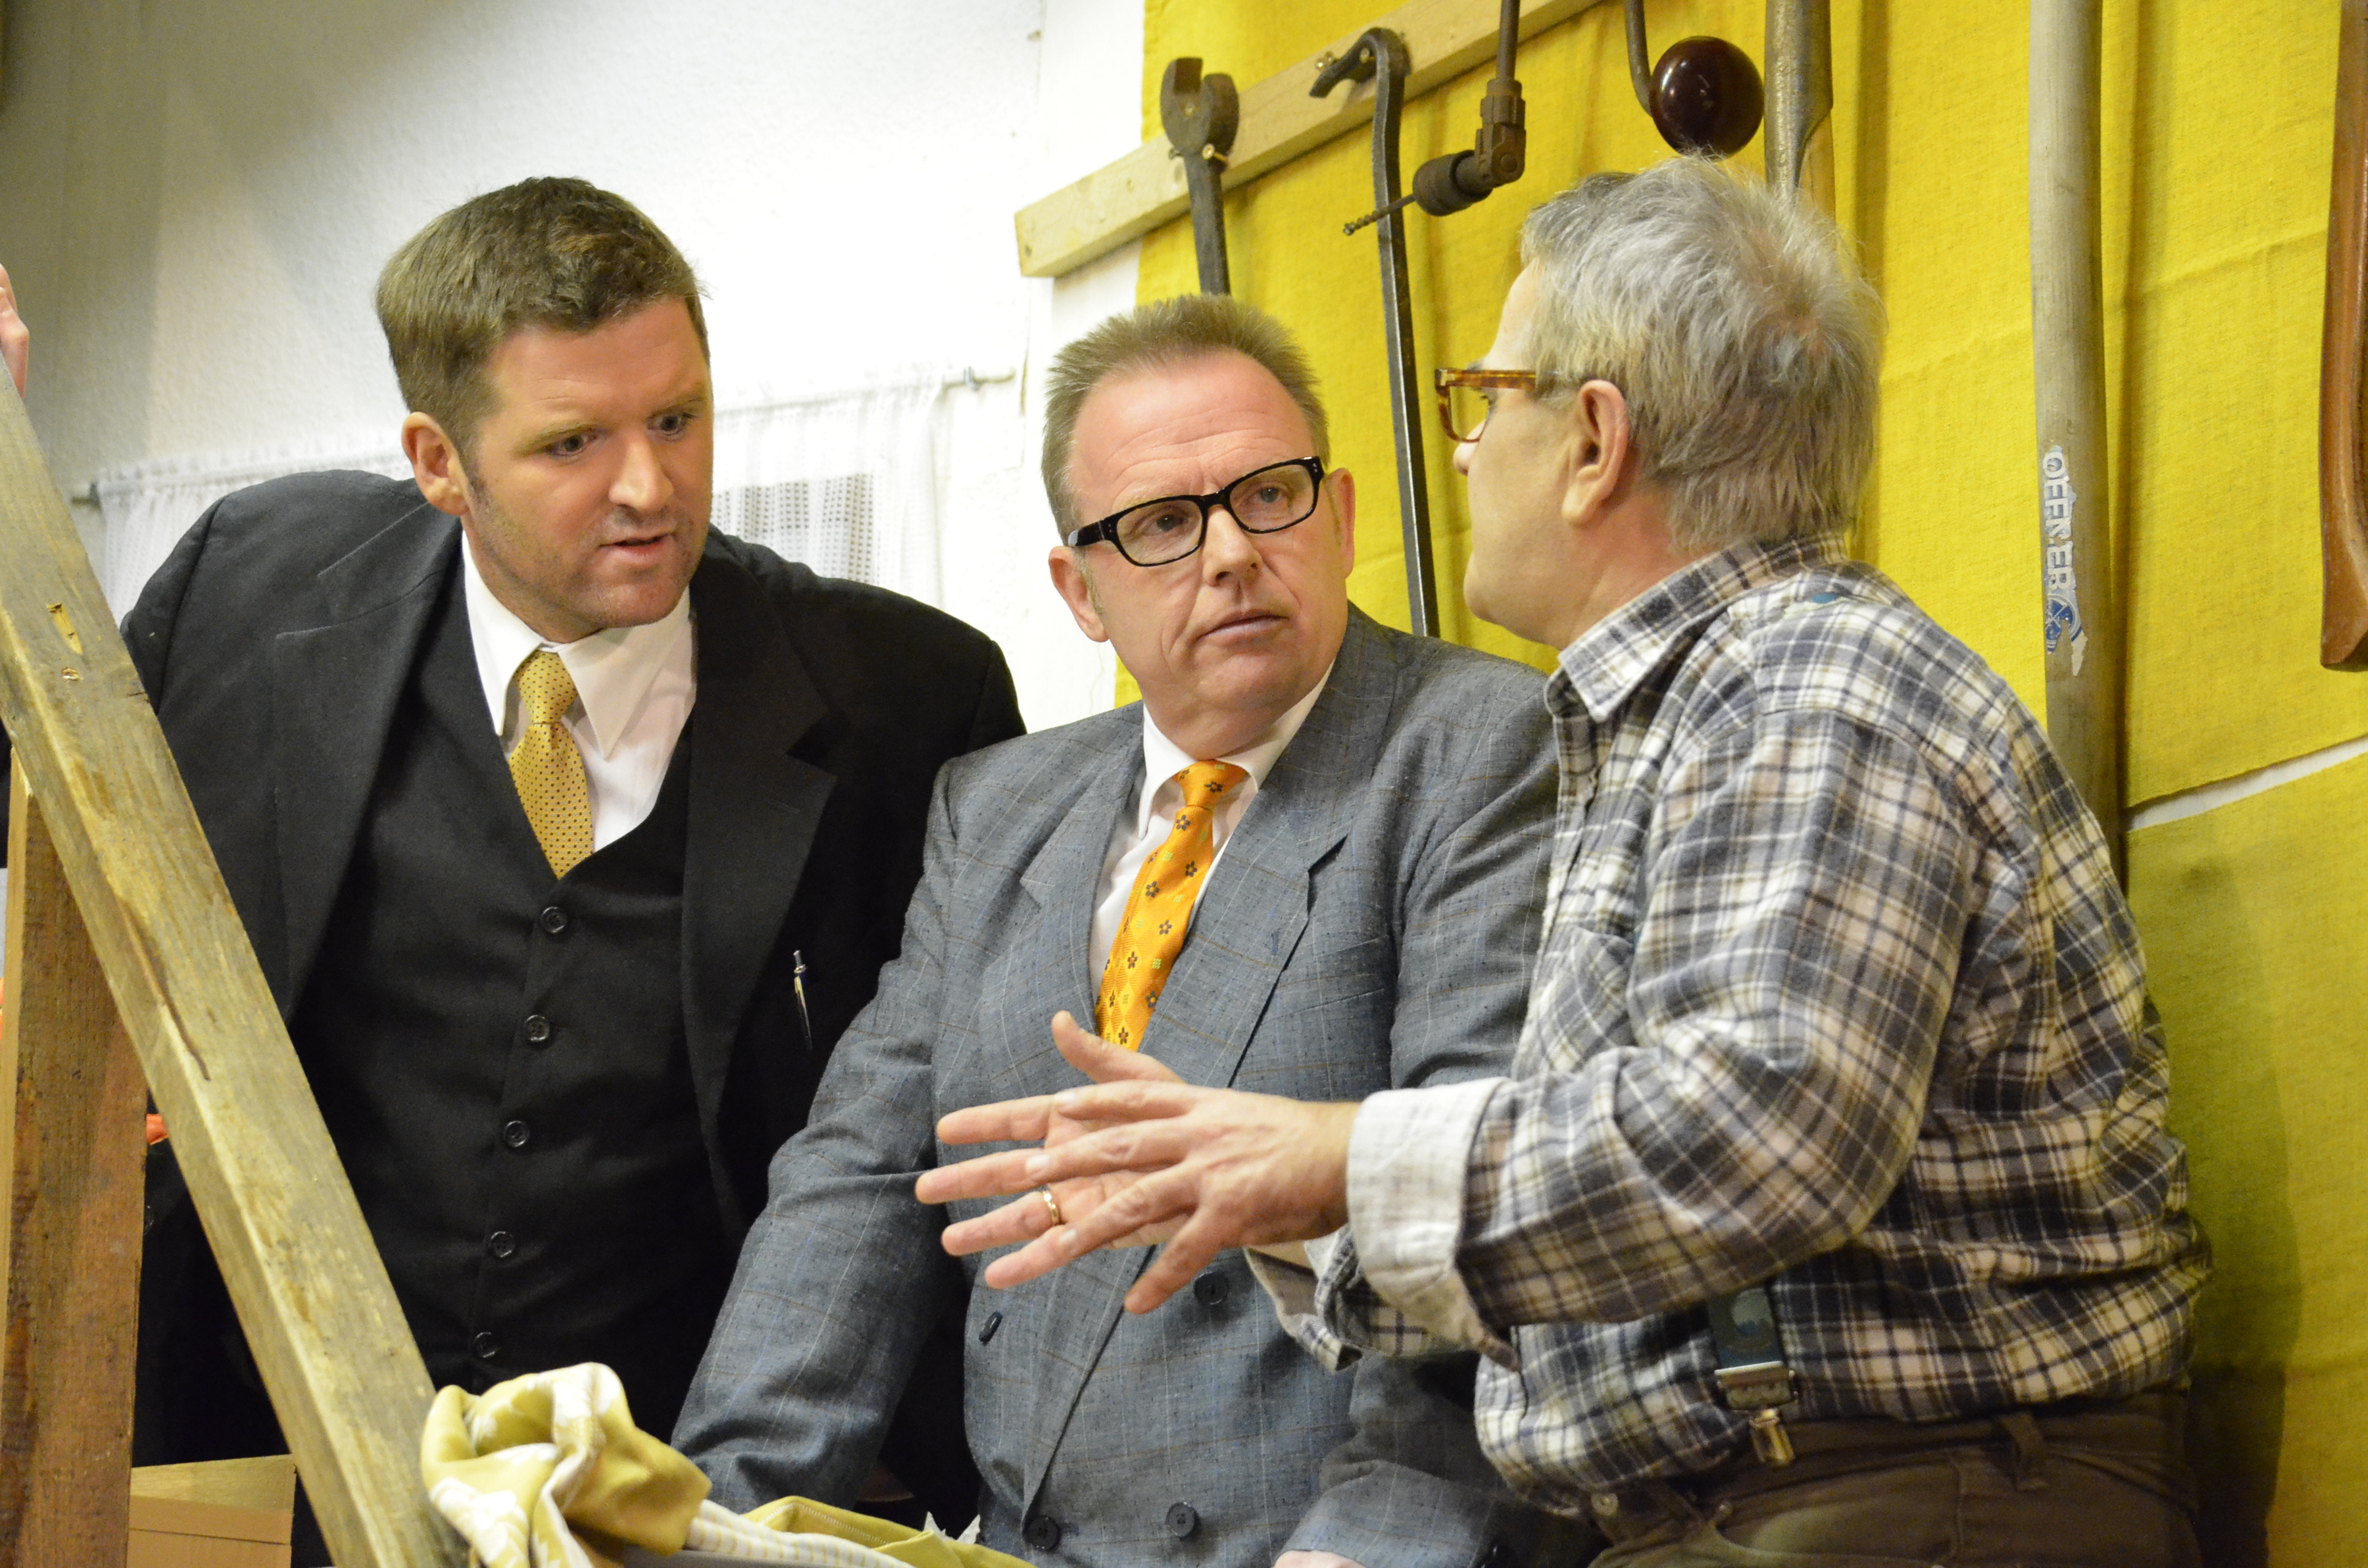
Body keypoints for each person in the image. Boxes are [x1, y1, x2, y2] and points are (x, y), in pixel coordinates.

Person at [921, 159, 2213, 1566]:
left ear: (1595, 442)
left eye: (1486, 400)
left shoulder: (1805, 688)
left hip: (1887, 1511)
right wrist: (1268, 1199)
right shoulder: (1689, 717)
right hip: (1765, 1509)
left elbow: (1759, 1139)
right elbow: (1614, 1241)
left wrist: (1329, 1155)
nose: (1465, 454)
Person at [0, 181, 1020, 1542]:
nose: (649, 487)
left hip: (655, 1496)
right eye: (572, 443)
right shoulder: (255, 581)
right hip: (240, 1457)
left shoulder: (912, 698)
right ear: (439, 461)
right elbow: (41, 809)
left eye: (677, 419)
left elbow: (962, 1113)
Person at [674, 293, 1570, 1568]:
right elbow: (860, 1188)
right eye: (1161, 524)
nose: (1231, 553)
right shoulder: (998, 808)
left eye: (1270, 495)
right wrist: (705, 1522)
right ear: (1080, 591)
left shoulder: (1482, 752)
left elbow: (1489, 1232)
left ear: (1340, 515)